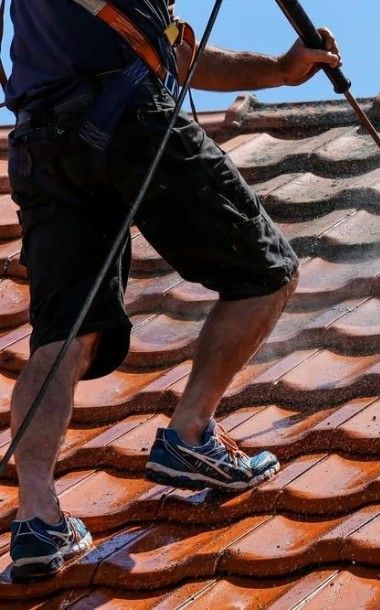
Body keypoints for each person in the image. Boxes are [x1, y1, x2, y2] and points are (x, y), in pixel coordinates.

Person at [5, 0, 340, 580]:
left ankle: (37, 519)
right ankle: (190, 434)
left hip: (44, 145)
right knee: (267, 273)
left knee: (63, 335)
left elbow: (171, 48)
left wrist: (282, 71)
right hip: (129, 120)